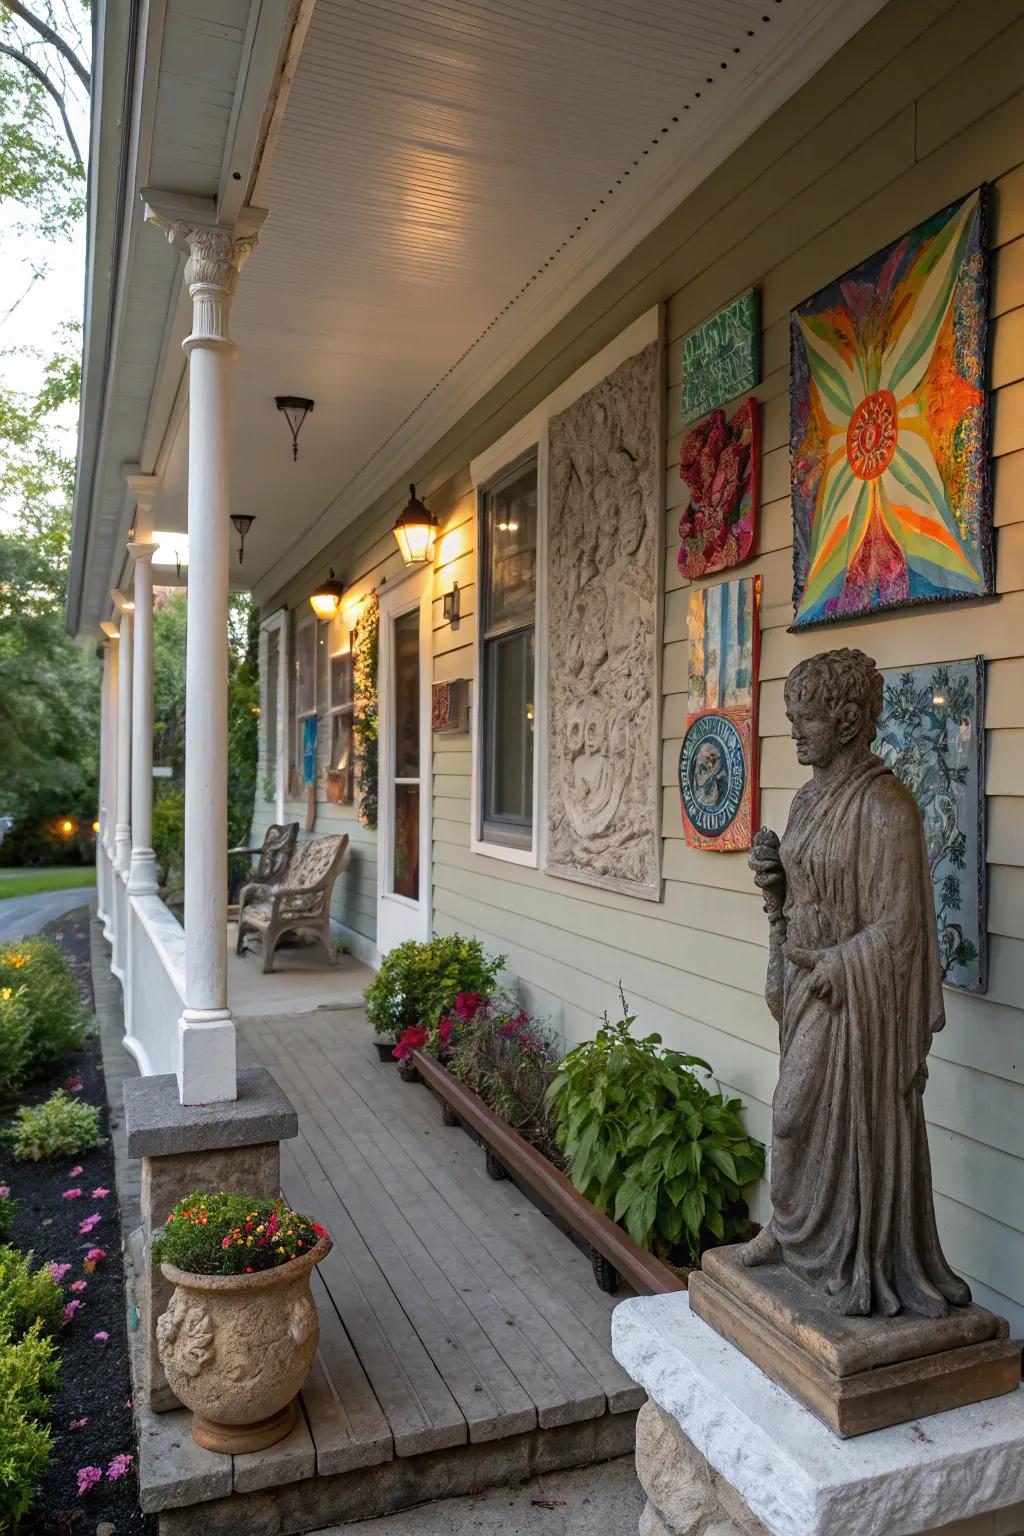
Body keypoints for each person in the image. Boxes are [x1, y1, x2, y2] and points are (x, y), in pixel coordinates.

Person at [745, 647, 970, 1319]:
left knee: (793, 1114)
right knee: (796, 1120)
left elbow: (900, 927)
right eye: (792, 716)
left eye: (806, 717)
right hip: (806, 982)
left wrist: (838, 966)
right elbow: (806, 887)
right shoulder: (809, 799)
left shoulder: (885, 807)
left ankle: (846, 1255)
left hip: (848, 998)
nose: (794, 730)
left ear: (846, 721)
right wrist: (775, 881)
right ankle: (789, 1234)